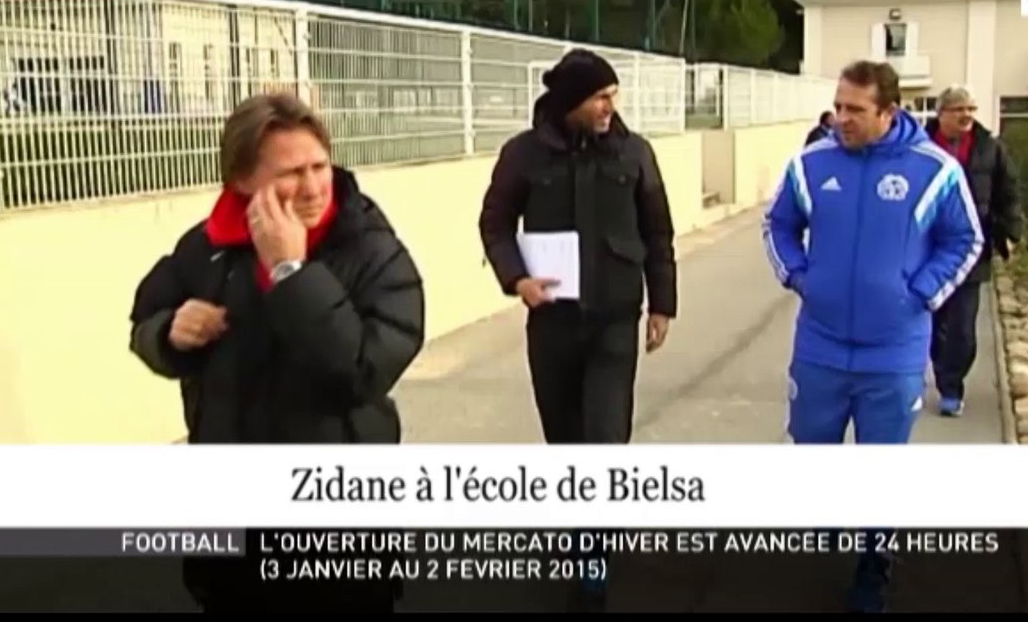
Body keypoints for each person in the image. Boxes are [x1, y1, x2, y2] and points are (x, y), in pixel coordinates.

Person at [127, 91, 425, 613]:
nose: (312, 187)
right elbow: (145, 324)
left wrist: (293, 272)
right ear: (242, 181)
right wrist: (168, 332)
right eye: (290, 172)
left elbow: (361, 370)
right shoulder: (206, 247)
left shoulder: (370, 248)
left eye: (319, 166)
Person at [762, 61, 984, 612]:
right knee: (812, 446)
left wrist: (922, 291)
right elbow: (778, 225)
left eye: (855, 110)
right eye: (838, 107)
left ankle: (873, 563)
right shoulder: (811, 164)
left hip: (894, 349)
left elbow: (965, 239)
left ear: (889, 111)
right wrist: (798, 275)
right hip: (820, 343)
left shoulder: (933, 170)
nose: (842, 119)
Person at [477, 48, 678, 606]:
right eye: (600, 97)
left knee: (605, 438)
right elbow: (494, 224)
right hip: (553, 322)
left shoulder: (635, 153)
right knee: (564, 437)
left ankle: (593, 547)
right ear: (571, 103)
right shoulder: (522, 156)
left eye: (613, 96)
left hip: (616, 318)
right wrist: (516, 279)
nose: (611, 106)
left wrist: (662, 303)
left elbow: (658, 232)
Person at [923, 85, 1023, 417]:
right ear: (942, 114)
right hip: (927, 250)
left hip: (971, 249)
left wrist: (1011, 232)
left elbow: (1008, 193)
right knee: (933, 321)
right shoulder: (920, 148)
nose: (967, 115)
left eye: (971, 109)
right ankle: (939, 369)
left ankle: (951, 386)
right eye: (959, 109)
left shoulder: (989, 149)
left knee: (963, 327)